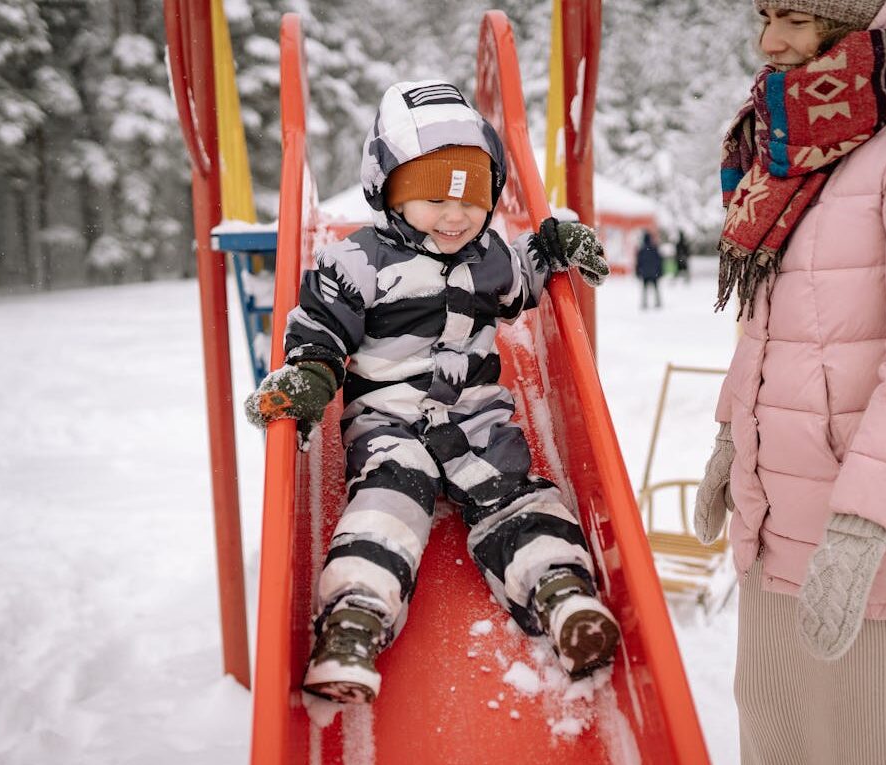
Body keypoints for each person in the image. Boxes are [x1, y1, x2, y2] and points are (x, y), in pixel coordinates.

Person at [244, 80, 618, 704]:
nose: (456, 215)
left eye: (473, 196)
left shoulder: (490, 256)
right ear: (386, 190)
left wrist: (552, 246)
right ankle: (355, 619)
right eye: (431, 197)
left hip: (474, 420)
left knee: (516, 497)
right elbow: (320, 329)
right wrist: (311, 377)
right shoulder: (356, 263)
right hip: (389, 421)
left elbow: (523, 279)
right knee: (389, 500)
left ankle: (560, 593)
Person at [693, 1, 886, 763]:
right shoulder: (794, 145)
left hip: (872, 536)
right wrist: (733, 433)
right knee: (774, 729)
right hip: (775, 518)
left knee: (875, 740)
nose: (770, 41)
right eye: (765, 15)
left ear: (857, 21)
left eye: (795, 18)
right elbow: (773, 319)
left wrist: (860, 527)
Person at [634, 229, 663, 309]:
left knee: (644, 289)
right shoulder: (654, 249)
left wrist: (637, 272)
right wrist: (660, 271)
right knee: (656, 289)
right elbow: (659, 261)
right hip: (654, 273)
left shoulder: (641, 250)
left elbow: (638, 263)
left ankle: (644, 303)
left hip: (645, 273)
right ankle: (658, 303)